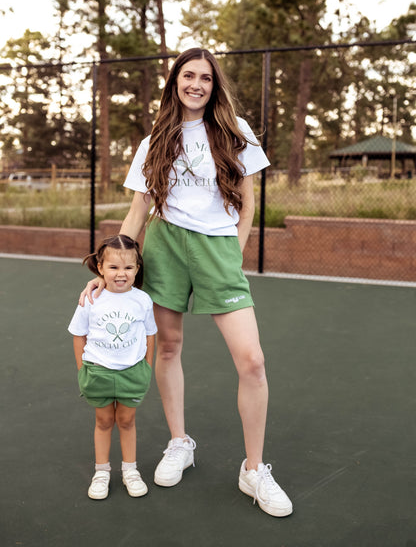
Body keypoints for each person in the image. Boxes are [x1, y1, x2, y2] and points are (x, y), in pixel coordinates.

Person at [80, 47, 293, 517]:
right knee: (169, 347)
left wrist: (233, 251)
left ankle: (254, 470)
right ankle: (180, 442)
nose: (196, 84)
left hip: (217, 249)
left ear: (215, 86)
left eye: (205, 78)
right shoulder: (156, 137)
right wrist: (106, 266)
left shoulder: (237, 133)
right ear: (175, 81)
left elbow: (247, 202)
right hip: (165, 246)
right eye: (188, 75)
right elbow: (139, 208)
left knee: (252, 361)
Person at [69, 234, 157, 500]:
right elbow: (78, 334)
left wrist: (146, 368)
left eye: (128, 268)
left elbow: (150, 334)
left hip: (133, 373)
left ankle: (130, 470)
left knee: (127, 421)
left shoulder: (142, 300)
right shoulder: (91, 299)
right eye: (114, 267)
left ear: (137, 269)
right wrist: (82, 370)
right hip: (98, 372)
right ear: (100, 268)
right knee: (104, 420)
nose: (121, 274)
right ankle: (102, 471)